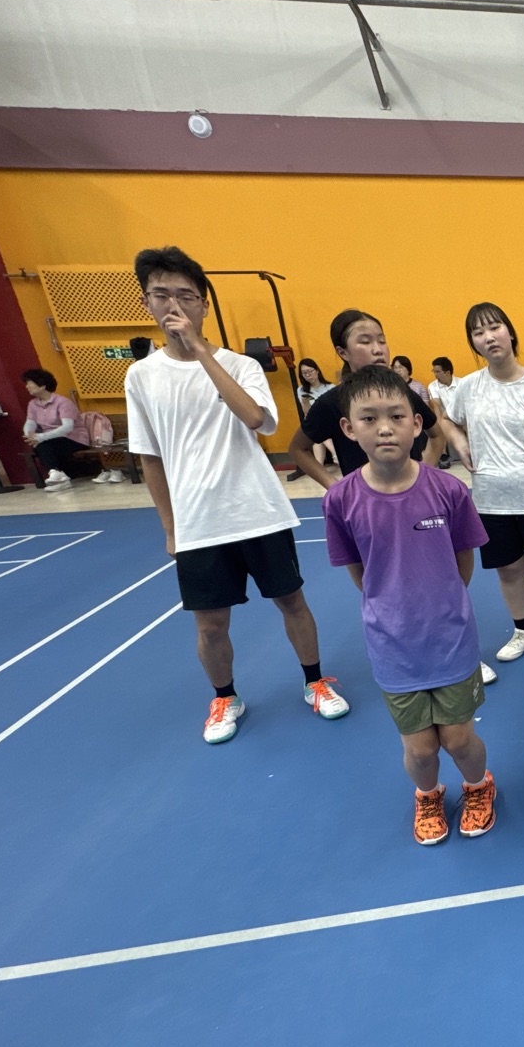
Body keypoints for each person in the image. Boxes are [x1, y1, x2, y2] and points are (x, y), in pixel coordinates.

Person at [123, 245, 350, 743]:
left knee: (292, 601)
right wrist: (170, 528)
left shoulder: (241, 365)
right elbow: (149, 457)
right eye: (161, 295)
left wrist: (201, 352)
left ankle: (315, 682)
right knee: (209, 625)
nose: (174, 306)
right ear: (146, 303)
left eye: (186, 296)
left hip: (258, 511)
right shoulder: (141, 376)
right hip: (198, 522)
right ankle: (225, 697)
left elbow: (256, 419)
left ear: (204, 306)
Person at [320, 366, 495, 845]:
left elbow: (463, 562)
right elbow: (360, 573)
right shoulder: (341, 500)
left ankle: (479, 786)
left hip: (451, 640)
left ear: (417, 423)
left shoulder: (449, 490)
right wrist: (391, 608)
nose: (385, 428)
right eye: (369, 418)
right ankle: (428, 795)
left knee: (459, 739)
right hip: (393, 647)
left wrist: (442, 604)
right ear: (348, 429)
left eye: (396, 416)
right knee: (420, 750)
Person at [444, 301, 524, 666]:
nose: (488, 337)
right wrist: (461, 443)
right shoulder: (469, 387)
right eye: (478, 332)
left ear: (510, 332)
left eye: (494, 327)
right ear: (473, 342)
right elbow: (446, 419)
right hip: (490, 500)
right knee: (509, 569)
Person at [287, 310, 436, 490]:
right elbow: (297, 449)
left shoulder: (403, 393)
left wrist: (424, 476)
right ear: (343, 352)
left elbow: (437, 434)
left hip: (411, 494)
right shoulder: (332, 402)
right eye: (365, 342)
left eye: (382, 341)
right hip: (363, 501)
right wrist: (335, 487)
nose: (378, 349)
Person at [21, 368, 103, 490]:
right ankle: (59, 475)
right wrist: (29, 435)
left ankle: (57, 475)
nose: (27, 386)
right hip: (51, 439)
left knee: (44, 446)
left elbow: (67, 427)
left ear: (42, 386)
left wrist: (41, 437)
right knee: (41, 446)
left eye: (29, 383)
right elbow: (30, 422)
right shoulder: (33, 404)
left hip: (73, 438)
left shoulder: (63, 402)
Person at [288, 357, 334, 482]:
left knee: (318, 433)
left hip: (330, 420)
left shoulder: (330, 387)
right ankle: (330, 457)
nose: (308, 375)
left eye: (309, 371)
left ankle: (319, 467)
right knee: (316, 432)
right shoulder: (301, 390)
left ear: (317, 371)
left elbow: (334, 409)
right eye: (304, 373)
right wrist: (305, 402)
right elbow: (307, 413)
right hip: (315, 421)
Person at [425, 356, 460, 469]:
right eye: (434, 371)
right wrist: (441, 423)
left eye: (438, 372)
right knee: (439, 422)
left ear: (447, 372)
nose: (435, 375)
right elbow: (436, 405)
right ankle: (443, 454)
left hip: (460, 415)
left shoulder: (462, 383)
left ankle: (473, 453)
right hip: (445, 416)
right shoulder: (433, 386)